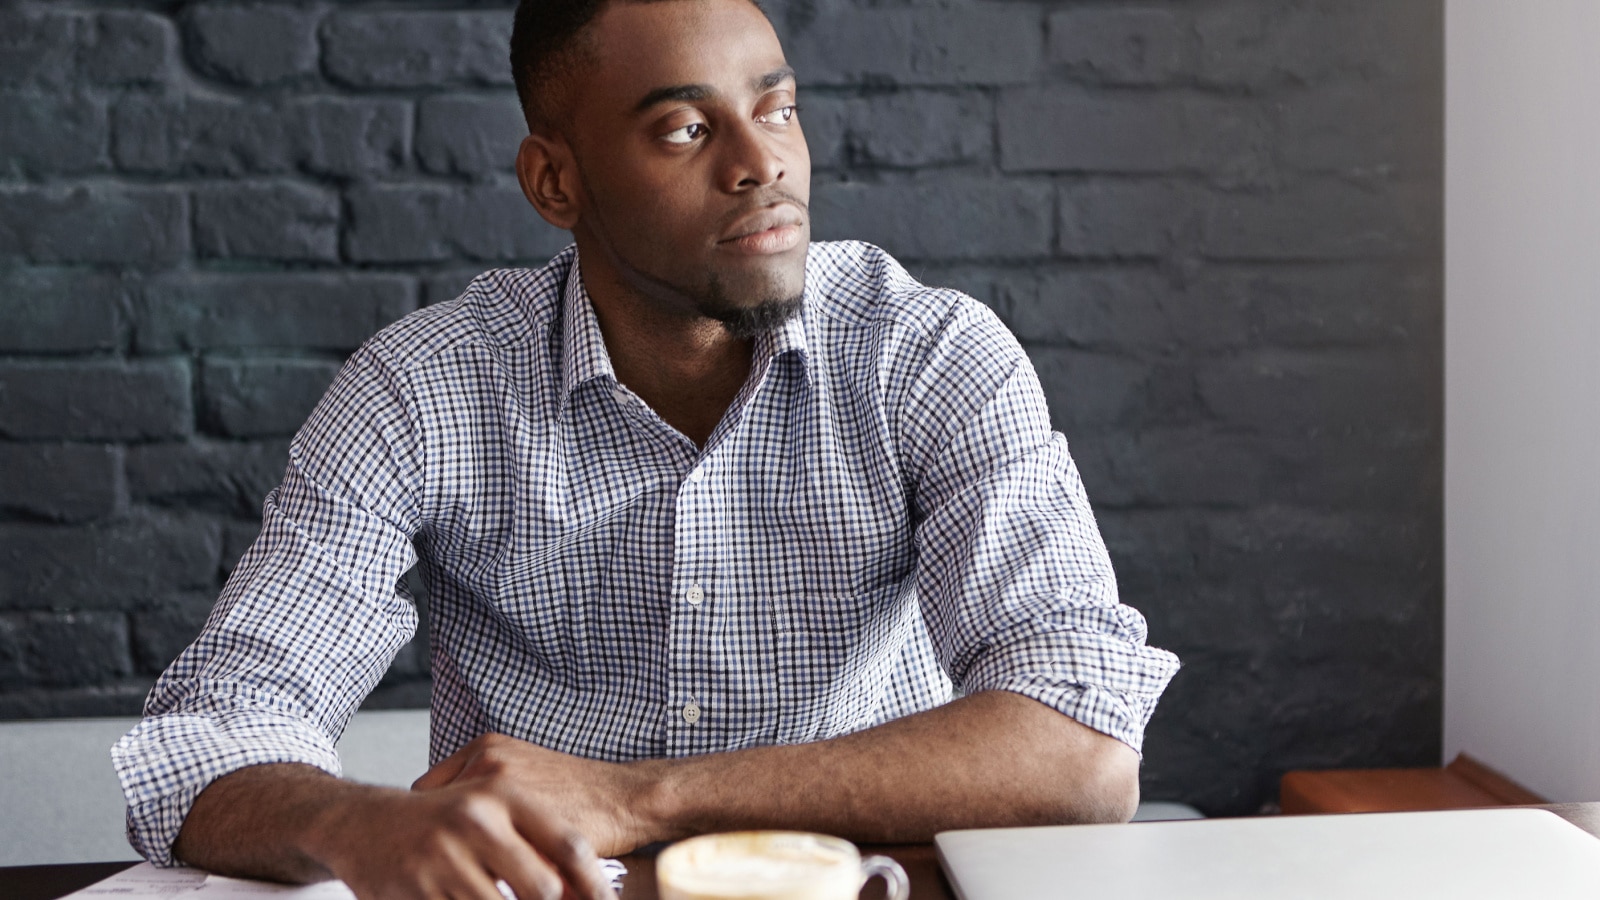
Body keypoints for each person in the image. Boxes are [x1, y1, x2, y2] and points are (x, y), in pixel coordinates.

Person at [113, 0, 1179, 897]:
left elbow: (1080, 751)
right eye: (683, 128)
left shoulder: (927, 354)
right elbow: (209, 737)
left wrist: (635, 796)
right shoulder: (422, 390)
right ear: (556, 185)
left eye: (778, 108)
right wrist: (355, 825)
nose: (762, 163)